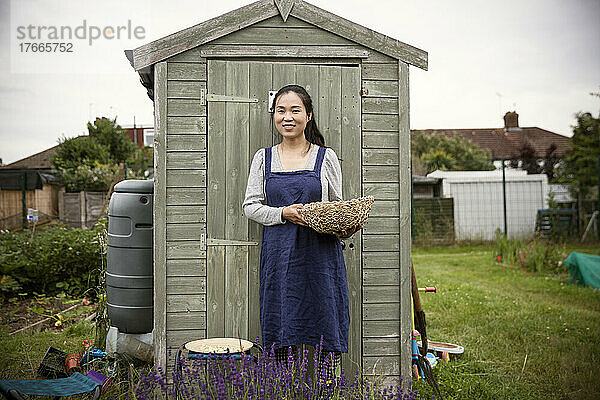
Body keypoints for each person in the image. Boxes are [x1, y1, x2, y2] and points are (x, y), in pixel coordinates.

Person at [242, 84, 360, 378]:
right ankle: (284, 390)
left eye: (295, 110)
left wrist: (345, 226)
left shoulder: (325, 157)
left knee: (324, 331)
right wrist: (283, 213)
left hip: (320, 259)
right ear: (274, 117)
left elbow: (336, 207)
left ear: (308, 115)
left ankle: (326, 391)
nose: (288, 117)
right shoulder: (263, 158)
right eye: (281, 111)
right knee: (281, 329)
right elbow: (250, 206)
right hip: (279, 260)